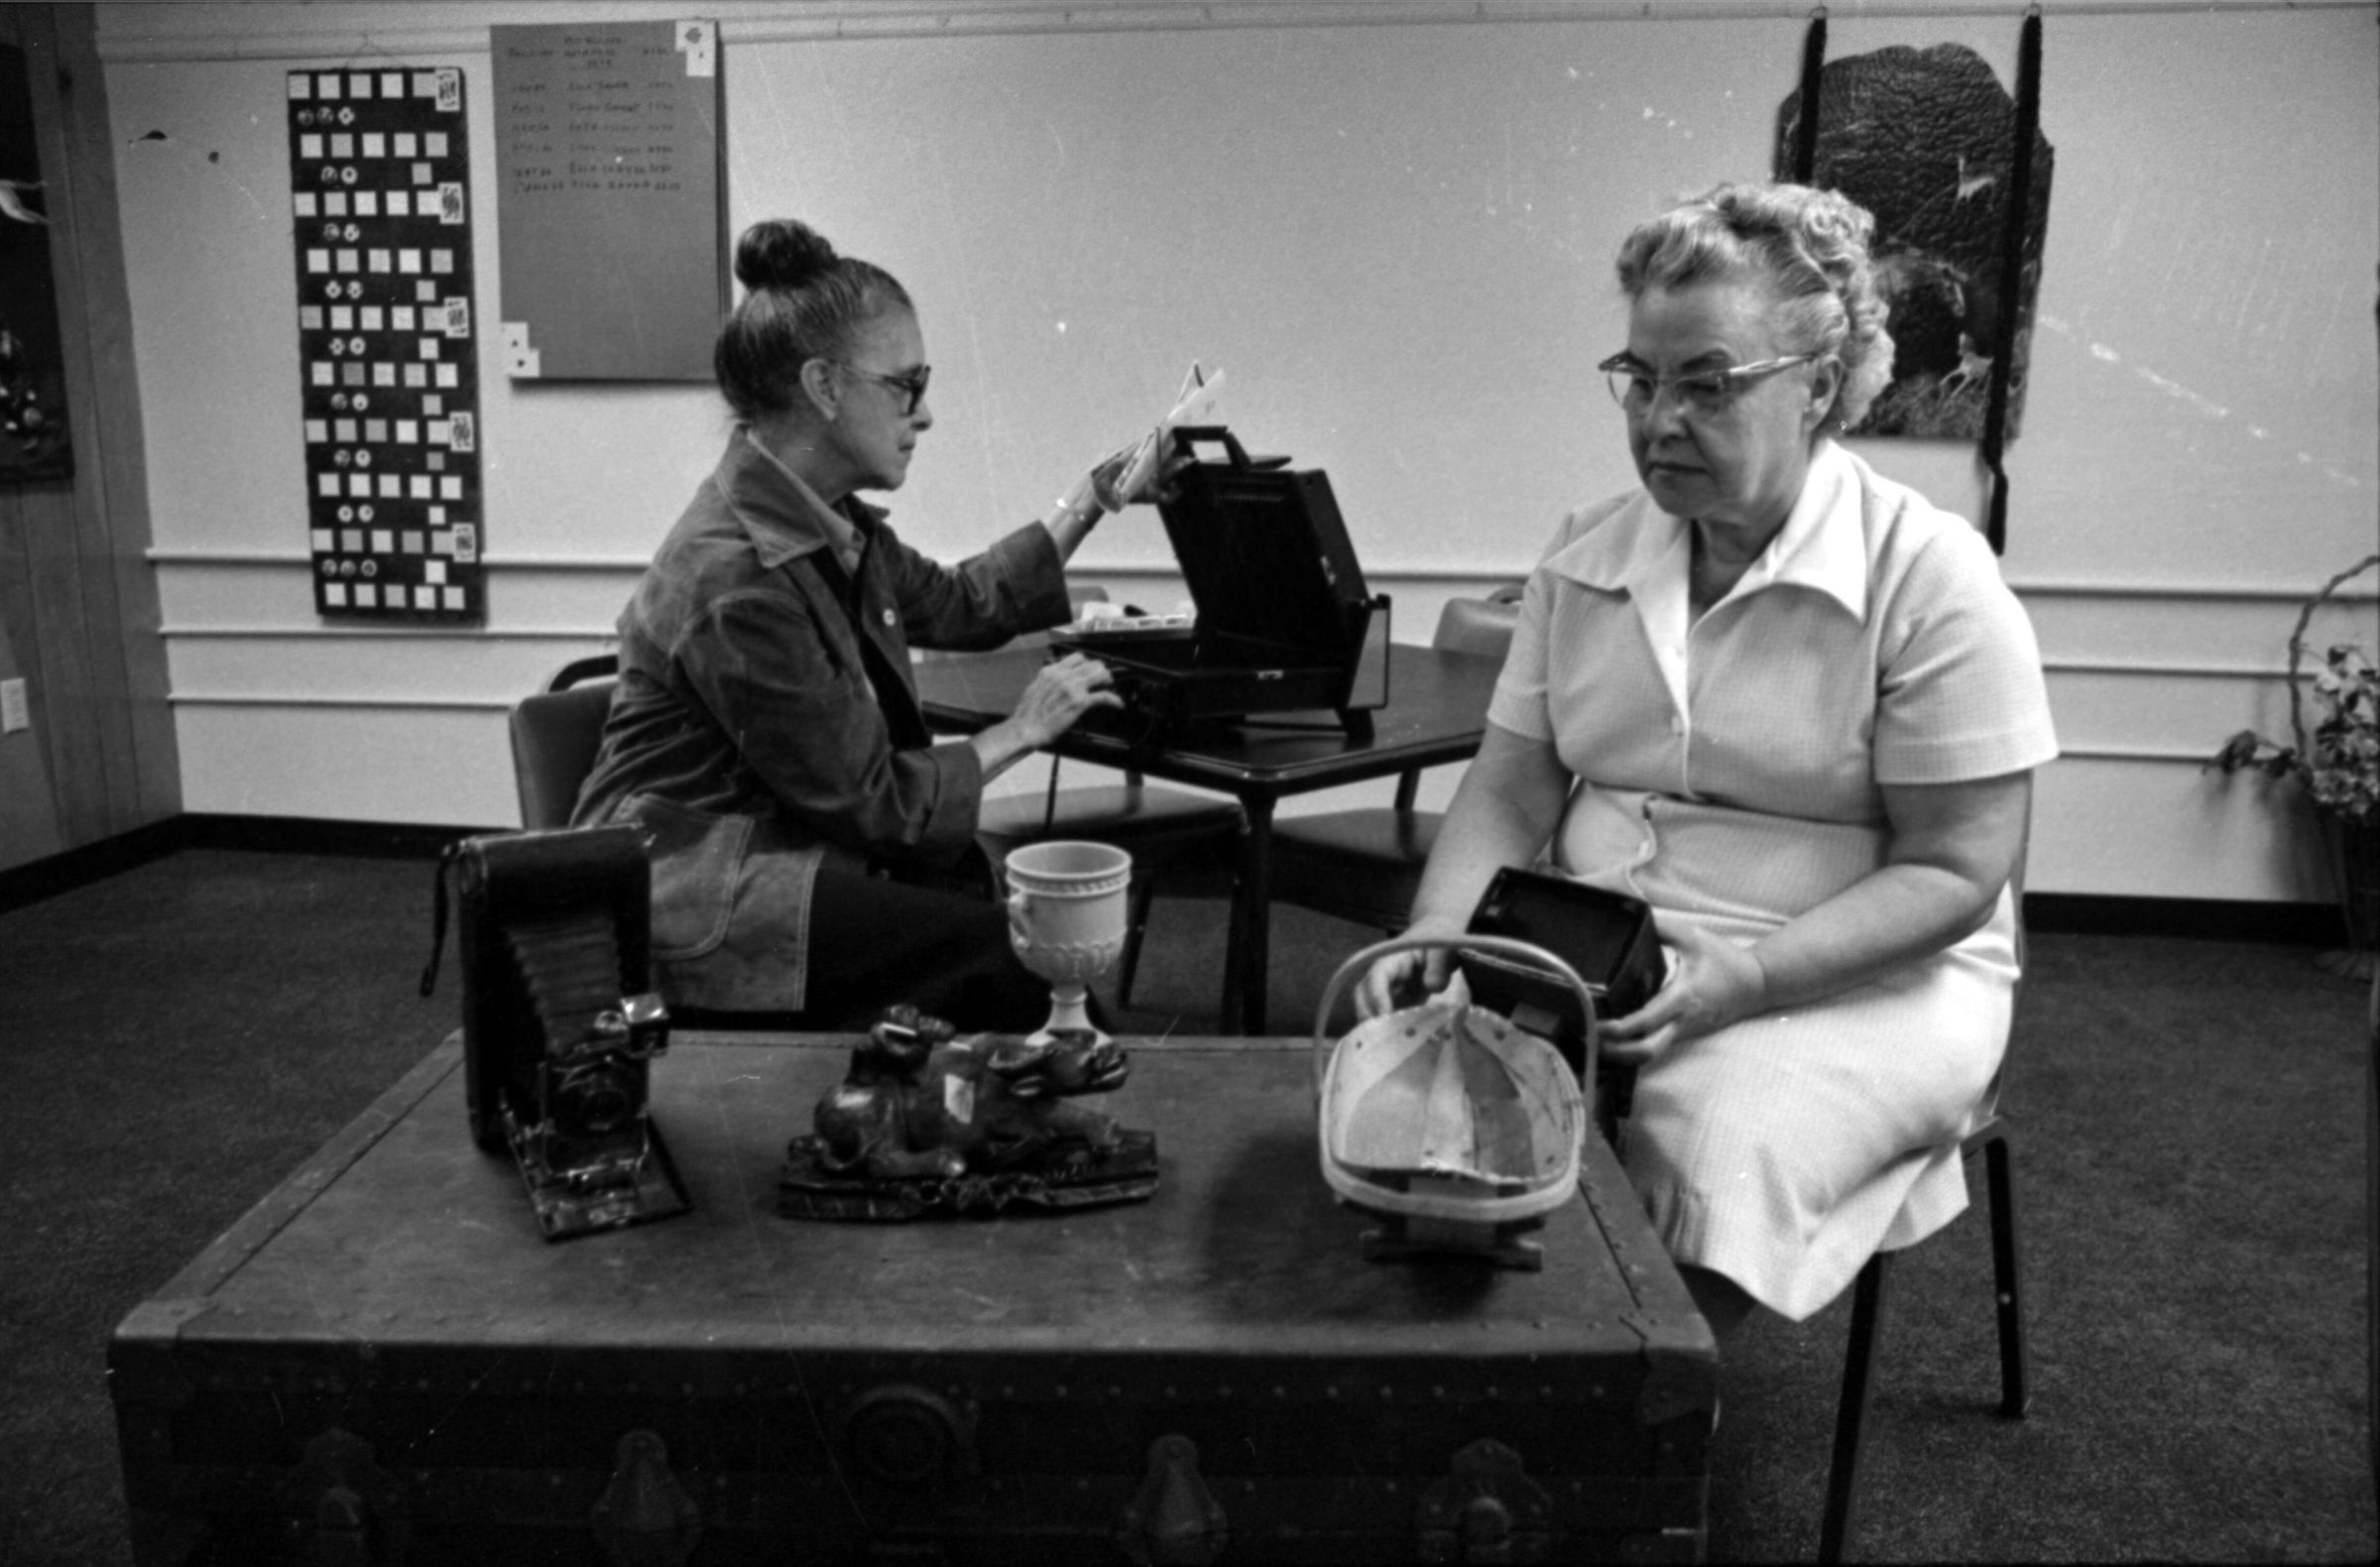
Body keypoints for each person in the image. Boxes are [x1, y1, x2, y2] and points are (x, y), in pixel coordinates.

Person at [1359, 181, 2058, 1337]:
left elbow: (1956, 868)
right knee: (1411, 1103)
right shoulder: (1585, 552)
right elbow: (1514, 784)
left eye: (1708, 384)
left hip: (1859, 974)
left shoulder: (1933, 578)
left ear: (1819, 385)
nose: (1660, 420)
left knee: (1708, 1152)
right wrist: (1437, 927)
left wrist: (1750, 979)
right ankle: (1485, 1382)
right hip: (1606, 940)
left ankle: (1627, 1409)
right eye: (1640, 379)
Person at [573, 217, 1147, 1032]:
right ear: (824, 386)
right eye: (906, 385)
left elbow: (964, 601)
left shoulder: (823, 520)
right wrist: (1022, 729)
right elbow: (876, 803)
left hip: (769, 854)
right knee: (1009, 955)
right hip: (694, 894)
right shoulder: (736, 580)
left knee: (981, 917)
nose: (925, 414)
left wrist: (1093, 497)